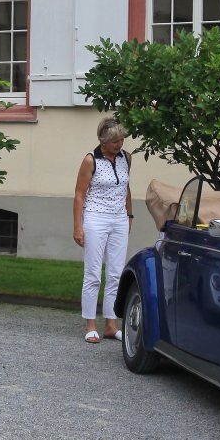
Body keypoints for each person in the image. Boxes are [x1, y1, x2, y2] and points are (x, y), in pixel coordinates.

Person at [73, 116, 134, 343]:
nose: (119, 144)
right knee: (93, 273)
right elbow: (79, 194)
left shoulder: (126, 158)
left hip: (119, 219)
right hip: (96, 218)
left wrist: (129, 215)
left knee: (116, 273)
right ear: (102, 140)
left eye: (121, 140)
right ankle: (90, 324)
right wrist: (78, 226)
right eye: (115, 141)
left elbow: (126, 188)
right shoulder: (91, 160)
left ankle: (111, 324)